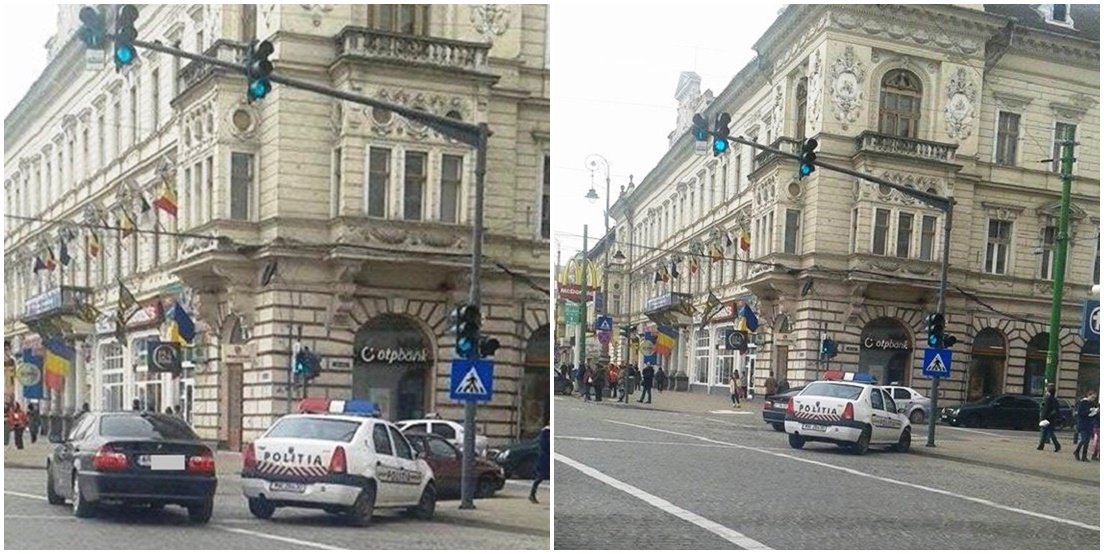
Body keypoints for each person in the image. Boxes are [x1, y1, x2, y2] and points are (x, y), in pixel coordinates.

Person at [1037, 383, 1061, 453]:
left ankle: (1057, 445)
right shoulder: (1053, 399)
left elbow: (1045, 409)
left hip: (1047, 418)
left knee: (1048, 432)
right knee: (1045, 432)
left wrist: (1043, 417)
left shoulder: (1048, 398)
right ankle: (1041, 445)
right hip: (1051, 418)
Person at [1073, 390, 1097, 462]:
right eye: (1092, 397)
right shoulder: (1083, 402)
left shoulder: (1091, 403)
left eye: (1094, 398)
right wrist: (1090, 412)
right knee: (1083, 439)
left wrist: (1094, 412)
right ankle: (1077, 451)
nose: (1093, 399)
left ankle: (1084, 456)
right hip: (1082, 424)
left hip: (1089, 424)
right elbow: (1080, 413)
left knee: (1087, 441)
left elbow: (1093, 414)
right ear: (1088, 395)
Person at [530, 424, 550, 503]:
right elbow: (545, 445)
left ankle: (532, 495)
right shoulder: (546, 433)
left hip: (546, 457)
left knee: (541, 477)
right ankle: (532, 494)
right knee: (541, 477)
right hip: (545, 458)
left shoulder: (547, 432)